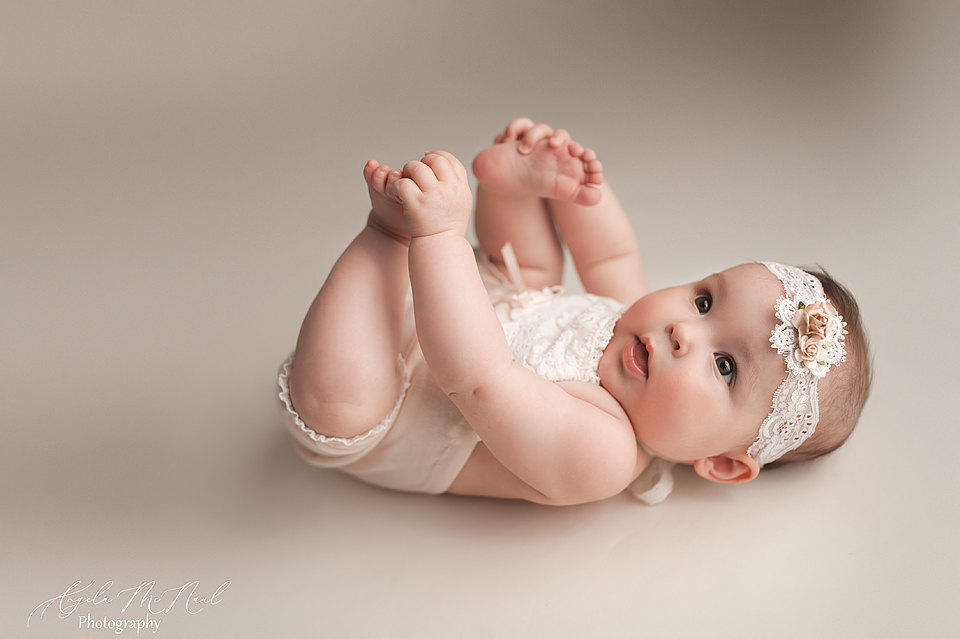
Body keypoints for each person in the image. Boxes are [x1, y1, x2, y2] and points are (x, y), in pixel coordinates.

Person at [277, 118, 871, 505]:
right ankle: (506, 187)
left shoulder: (604, 451)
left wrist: (439, 239)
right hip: (463, 302)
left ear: (720, 462)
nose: (683, 330)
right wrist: (572, 188)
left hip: (399, 400)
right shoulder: (636, 331)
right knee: (532, 272)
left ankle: (385, 233)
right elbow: (609, 252)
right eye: (704, 300)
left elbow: (478, 378)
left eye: (724, 367)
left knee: (340, 399)